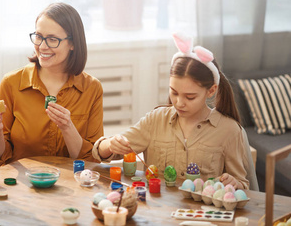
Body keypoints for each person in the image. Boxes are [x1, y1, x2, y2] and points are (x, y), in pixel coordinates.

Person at [92, 33, 250, 189]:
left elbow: (242, 185)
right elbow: (101, 152)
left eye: (190, 97)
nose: (179, 103)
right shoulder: (156, 120)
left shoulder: (229, 130)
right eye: (174, 92)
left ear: (211, 91)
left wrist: (234, 183)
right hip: (157, 209)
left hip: (202, 213)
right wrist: (110, 145)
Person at [0, 2, 103, 173]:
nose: (42, 46)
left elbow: (91, 162)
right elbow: (1, 158)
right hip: (22, 186)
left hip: (72, 187)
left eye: (52, 39)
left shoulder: (91, 89)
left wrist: (68, 128)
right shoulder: (11, 83)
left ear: (72, 44)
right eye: (38, 36)